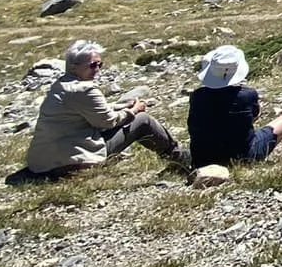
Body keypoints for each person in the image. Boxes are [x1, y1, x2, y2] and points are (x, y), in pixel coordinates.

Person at [24, 38, 184, 178]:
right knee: (143, 121)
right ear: (73, 67)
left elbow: (95, 110)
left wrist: (122, 105)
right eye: (92, 65)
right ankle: (181, 159)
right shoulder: (85, 89)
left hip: (42, 164)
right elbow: (108, 121)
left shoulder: (60, 86)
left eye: (100, 64)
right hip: (74, 159)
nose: (97, 69)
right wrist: (134, 110)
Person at [186, 44, 282, 168]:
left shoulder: (196, 96)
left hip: (202, 161)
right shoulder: (247, 95)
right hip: (243, 157)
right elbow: (255, 116)